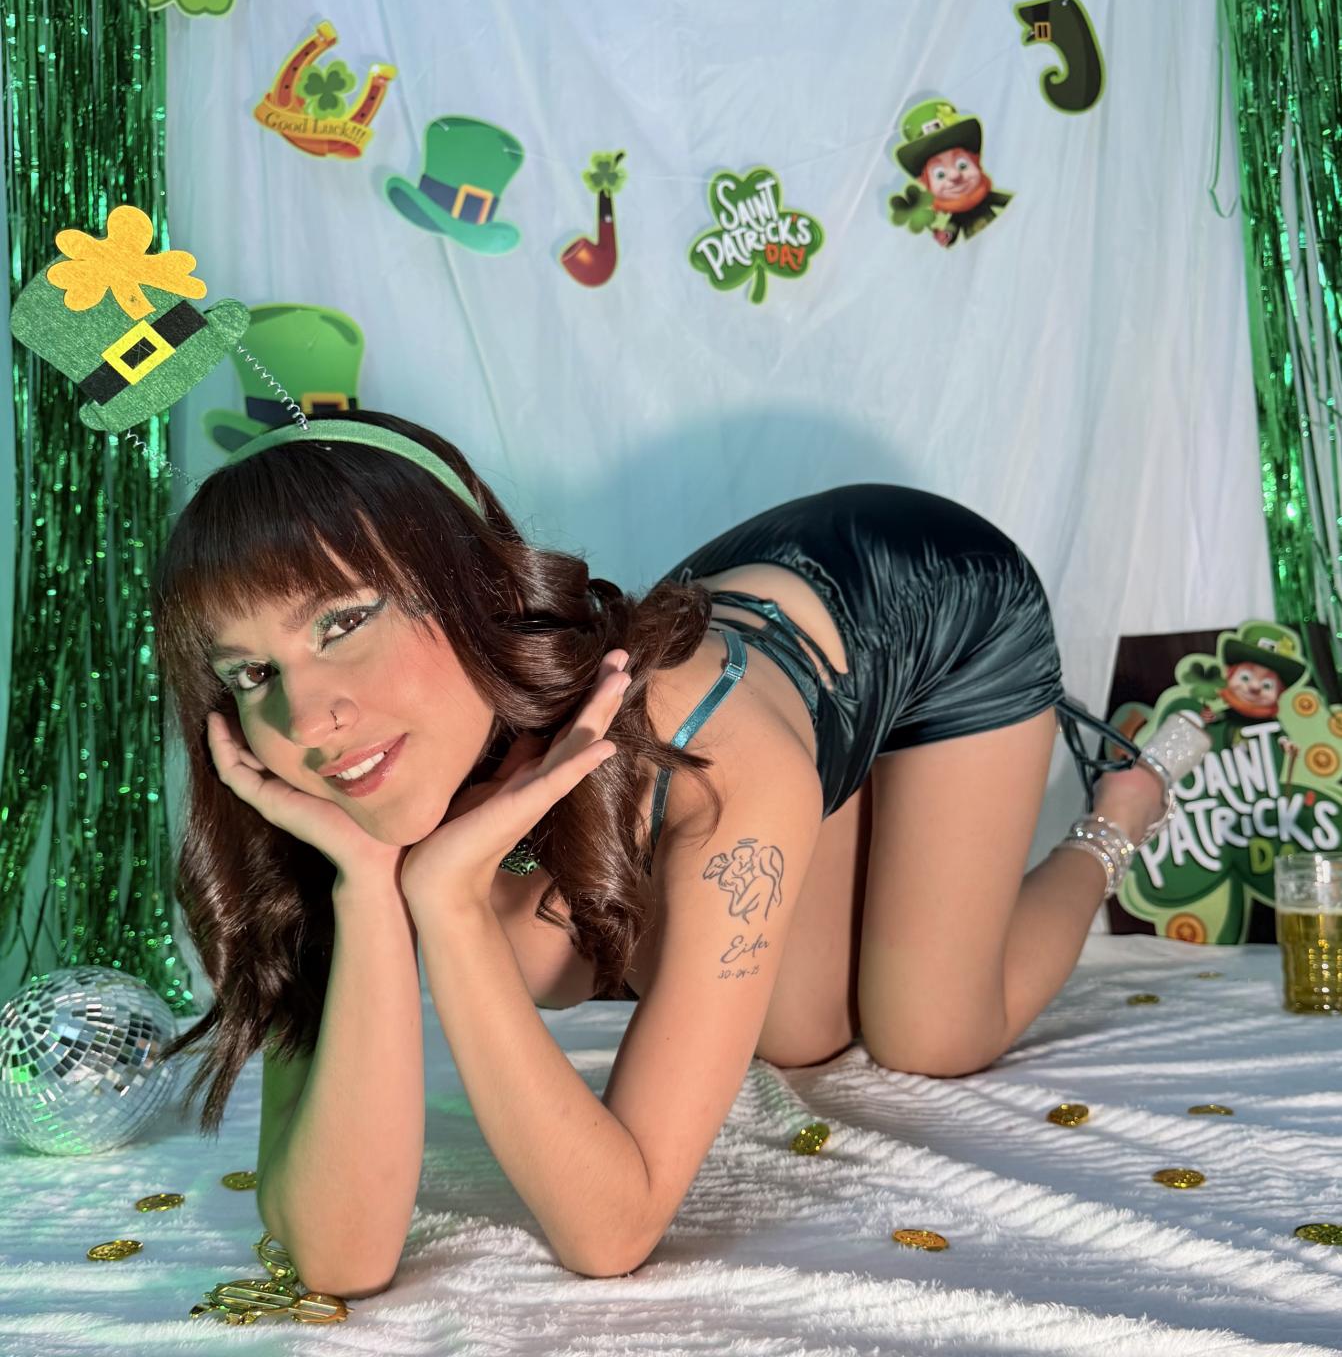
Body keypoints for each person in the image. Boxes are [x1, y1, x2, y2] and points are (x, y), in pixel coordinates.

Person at [153, 407, 1206, 1285]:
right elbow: (336, 1255)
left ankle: (1122, 809)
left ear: (476, 587)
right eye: (252, 674)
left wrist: (453, 907)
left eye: (342, 623)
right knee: (799, 1036)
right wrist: (373, 888)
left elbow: (612, 1230)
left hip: (937, 604)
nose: (306, 718)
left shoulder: (705, 758)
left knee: (930, 1033)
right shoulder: (327, 799)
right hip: (794, 668)